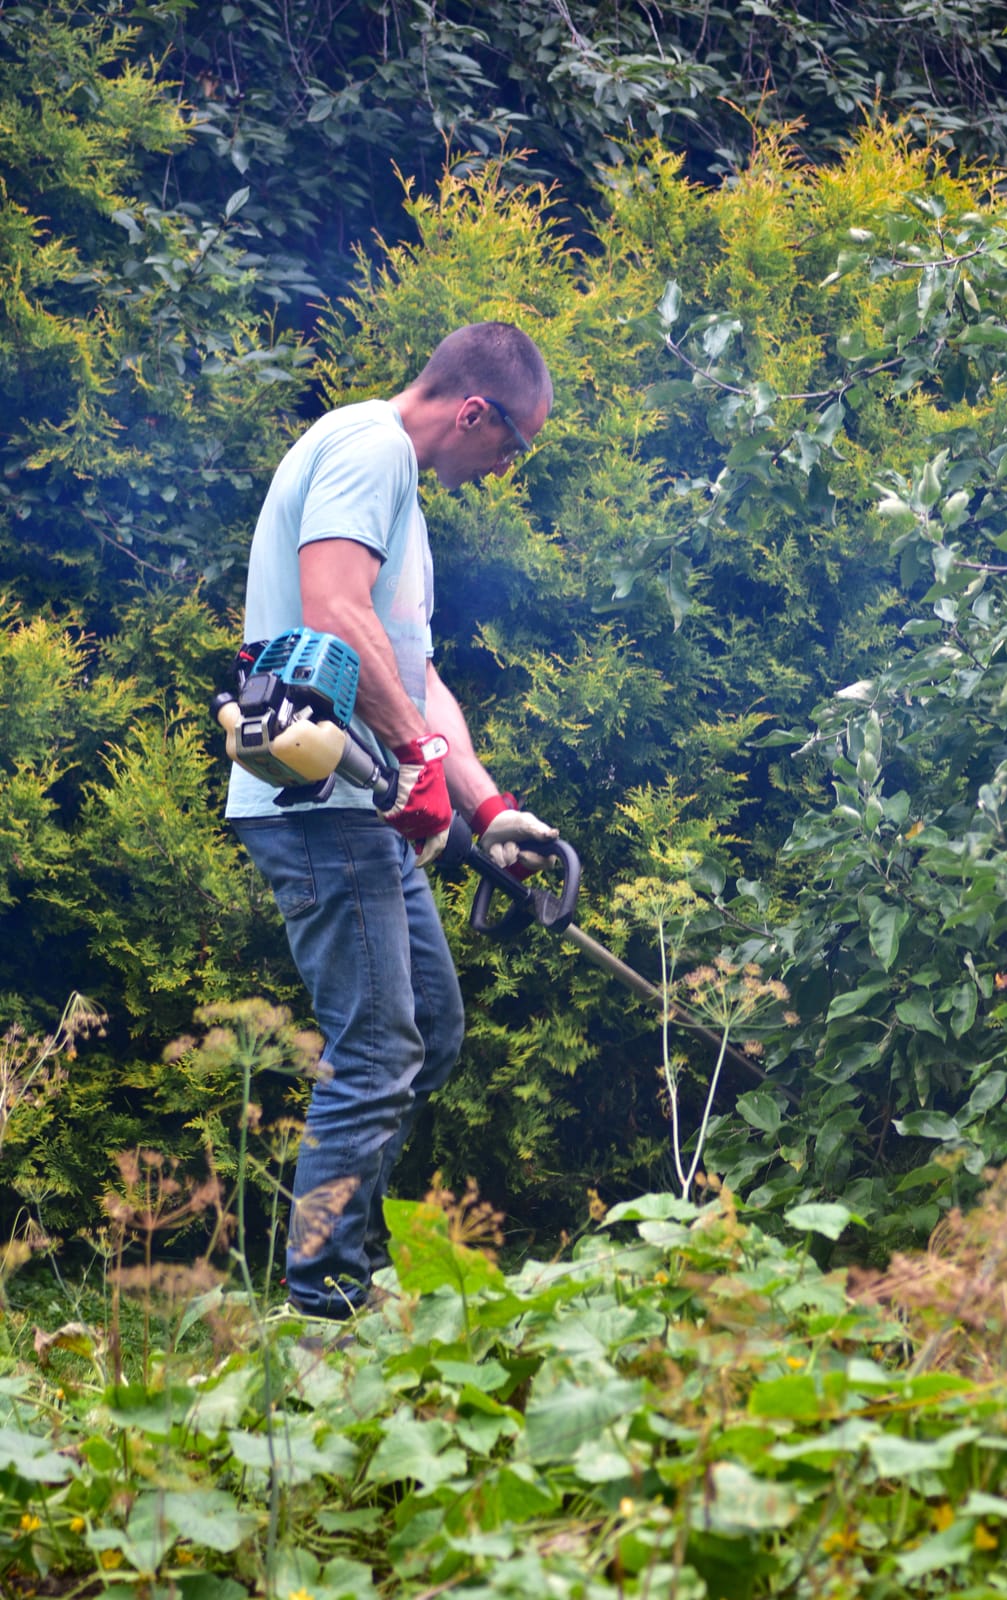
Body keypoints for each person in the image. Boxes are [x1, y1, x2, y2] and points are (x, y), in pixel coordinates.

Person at [226, 322, 557, 1318]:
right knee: (376, 1050)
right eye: (513, 446)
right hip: (322, 800)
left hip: (361, 800)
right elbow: (330, 608)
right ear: (473, 411)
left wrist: (486, 802)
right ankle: (319, 1308)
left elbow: (410, 670)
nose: (504, 467)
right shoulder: (368, 448)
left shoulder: (397, 494)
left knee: (430, 1035)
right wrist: (412, 757)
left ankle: (350, 1266)